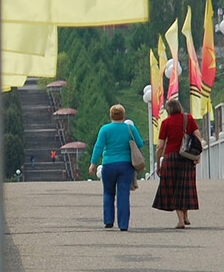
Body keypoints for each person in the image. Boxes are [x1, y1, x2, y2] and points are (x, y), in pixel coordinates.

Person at [87, 103, 144, 231]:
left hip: (108, 165)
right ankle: (123, 224)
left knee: (108, 192)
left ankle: (108, 220)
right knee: (123, 194)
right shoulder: (129, 128)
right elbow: (140, 143)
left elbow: (98, 146)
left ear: (111, 115)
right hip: (126, 165)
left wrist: (93, 163)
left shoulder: (105, 129)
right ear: (123, 115)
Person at [152, 97, 203, 228]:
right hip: (186, 157)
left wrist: (158, 163)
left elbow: (160, 146)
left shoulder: (166, 123)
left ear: (168, 110)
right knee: (184, 186)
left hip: (171, 158)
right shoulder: (188, 119)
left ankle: (181, 220)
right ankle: (186, 216)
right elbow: (197, 136)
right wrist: (197, 155)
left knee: (174, 188)